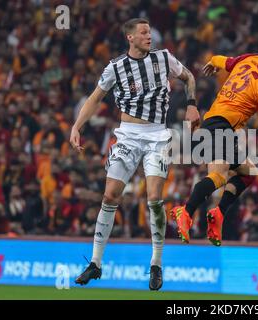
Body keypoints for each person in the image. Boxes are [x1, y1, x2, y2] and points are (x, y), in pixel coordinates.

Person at [71, 18, 200, 290]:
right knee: (109, 195)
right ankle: (95, 263)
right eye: (143, 33)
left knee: (154, 197)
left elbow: (189, 77)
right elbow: (95, 97)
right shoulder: (116, 67)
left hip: (157, 135)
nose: (148, 36)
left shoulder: (164, 58)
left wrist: (192, 105)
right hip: (128, 134)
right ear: (130, 37)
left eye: (150, 32)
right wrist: (77, 126)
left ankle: (156, 264)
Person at [170, 39, 258, 246]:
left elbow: (224, 61)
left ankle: (218, 213)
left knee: (250, 172)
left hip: (213, 122)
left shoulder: (249, 58)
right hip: (221, 126)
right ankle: (186, 210)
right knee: (219, 177)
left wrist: (212, 61)